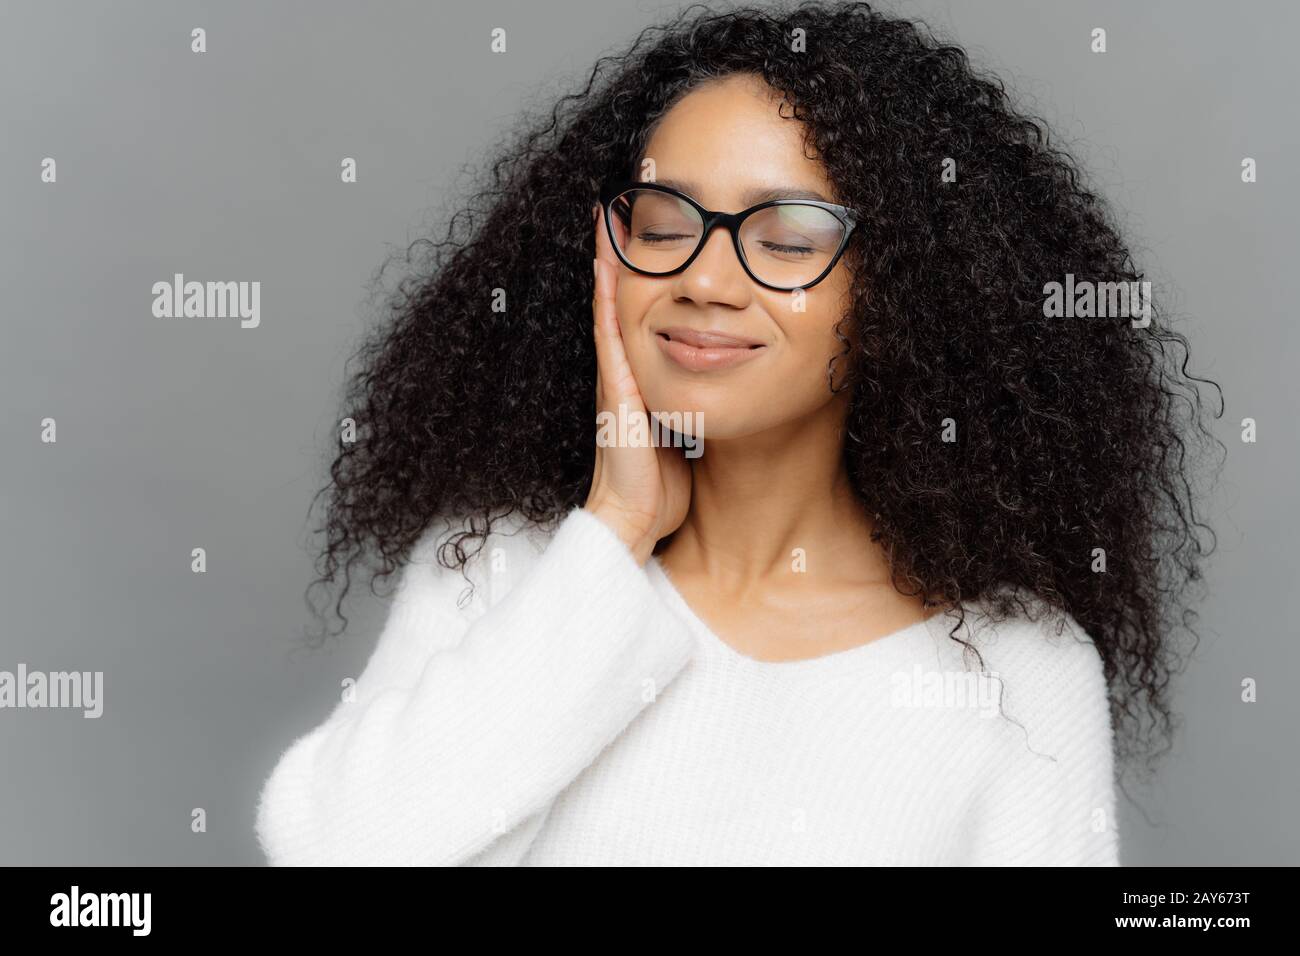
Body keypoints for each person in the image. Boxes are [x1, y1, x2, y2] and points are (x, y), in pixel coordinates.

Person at [255, 2, 1218, 866]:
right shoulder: (501, 572)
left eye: (787, 240)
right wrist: (614, 532)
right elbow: (335, 849)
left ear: (904, 290)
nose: (706, 280)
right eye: (665, 225)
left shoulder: (1018, 673)